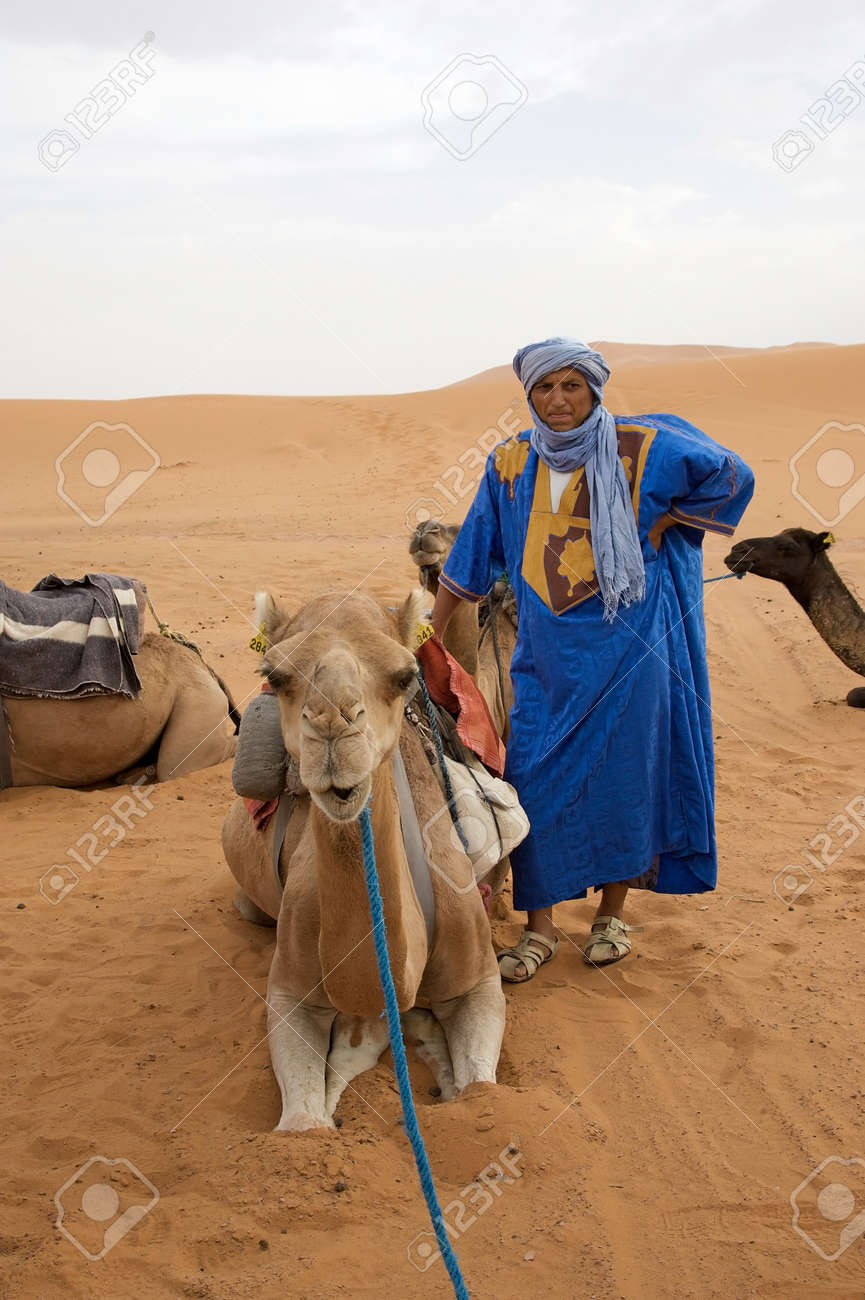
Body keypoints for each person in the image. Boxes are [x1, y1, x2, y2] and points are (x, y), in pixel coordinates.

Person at [431, 337, 754, 981]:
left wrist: (671, 521)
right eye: (544, 388)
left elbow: (730, 473)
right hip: (549, 661)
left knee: (626, 781)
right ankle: (541, 928)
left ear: (595, 390)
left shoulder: (645, 448)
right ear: (528, 395)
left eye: (571, 386)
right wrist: (432, 640)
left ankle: (612, 915)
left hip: (635, 656)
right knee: (536, 780)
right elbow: (470, 558)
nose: (557, 400)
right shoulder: (510, 463)